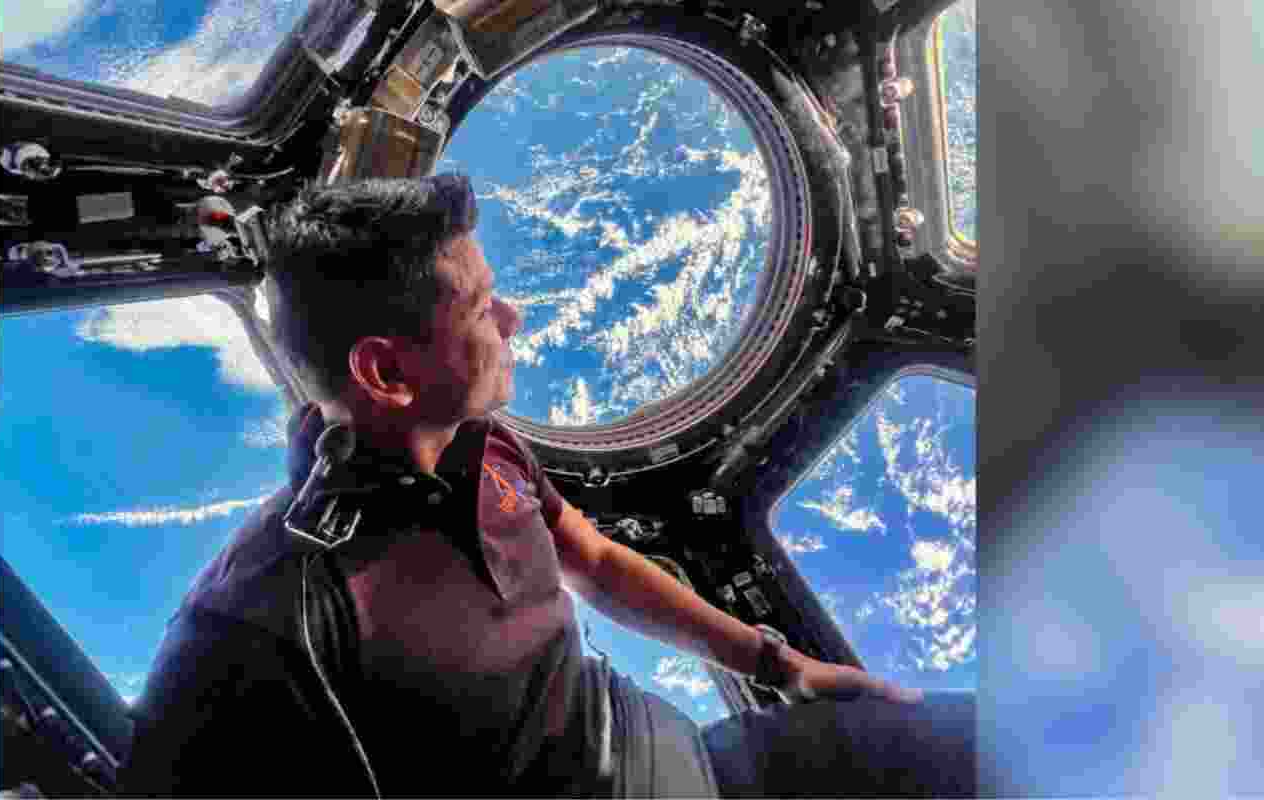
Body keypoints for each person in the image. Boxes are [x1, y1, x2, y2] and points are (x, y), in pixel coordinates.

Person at [118, 174, 970, 798]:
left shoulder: (487, 448)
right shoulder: (267, 624)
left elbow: (593, 561)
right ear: (386, 372)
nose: (512, 319)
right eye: (482, 307)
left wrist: (782, 666)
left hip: (711, 763)